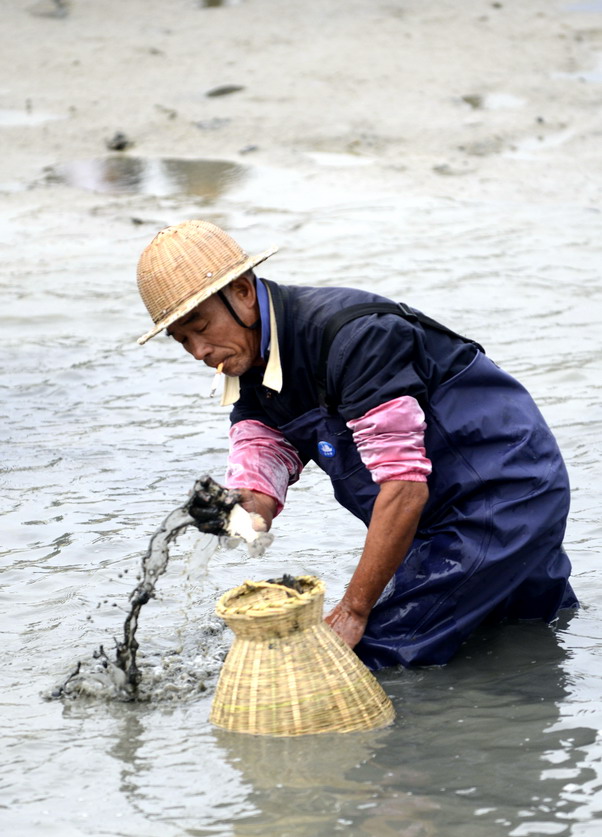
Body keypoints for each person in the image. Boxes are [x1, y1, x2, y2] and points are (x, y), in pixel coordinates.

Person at [136, 219, 578, 670]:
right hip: (440, 516)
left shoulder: (358, 337)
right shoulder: (249, 365)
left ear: (244, 293)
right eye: (182, 340)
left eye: (200, 326)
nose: (199, 351)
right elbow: (262, 457)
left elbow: (404, 488)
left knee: (366, 661)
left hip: (501, 499)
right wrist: (243, 511)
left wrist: (353, 610)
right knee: (526, 635)